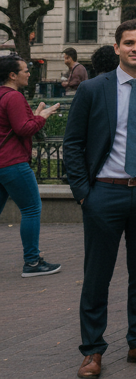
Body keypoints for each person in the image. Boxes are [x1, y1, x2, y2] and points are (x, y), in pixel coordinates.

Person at [65, 19, 136, 377]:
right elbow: (73, 144)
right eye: (129, 42)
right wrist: (84, 194)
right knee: (97, 276)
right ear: (116, 48)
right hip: (104, 194)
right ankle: (92, 350)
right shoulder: (93, 89)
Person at [0, 54, 62, 276]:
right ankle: (32, 263)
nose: (29, 73)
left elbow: (16, 125)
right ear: (12, 75)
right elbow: (24, 129)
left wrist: (34, 117)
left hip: (1, 163)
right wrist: (42, 116)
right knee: (31, 209)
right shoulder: (14, 97)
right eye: (25, 70)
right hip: (13, 163)